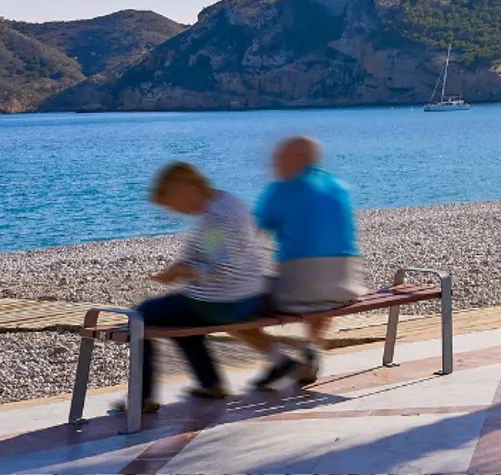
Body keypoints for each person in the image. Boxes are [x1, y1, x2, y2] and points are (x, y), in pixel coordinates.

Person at [126, 162, 269, 413]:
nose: (174, 211)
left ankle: (141, 398)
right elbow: (219, 254)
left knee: (141, 315)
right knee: (180, 319)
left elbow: (223, 268)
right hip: (248, 295)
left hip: (224, 303)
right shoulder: (228, 202)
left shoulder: (214, 218)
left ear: (185, 188)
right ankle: (210, 383)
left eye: (172, 203)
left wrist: (185, 271)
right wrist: (182, 266)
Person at [250, 135, 361, 389]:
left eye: (278, 158)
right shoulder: (338, 187)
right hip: (343, 289)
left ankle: (277, 359)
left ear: (296, 159)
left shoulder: (281, 189)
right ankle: (311, 348)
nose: (273, 163)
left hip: (298, 292)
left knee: (232, 300)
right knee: (319, 289)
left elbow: (248, 233)